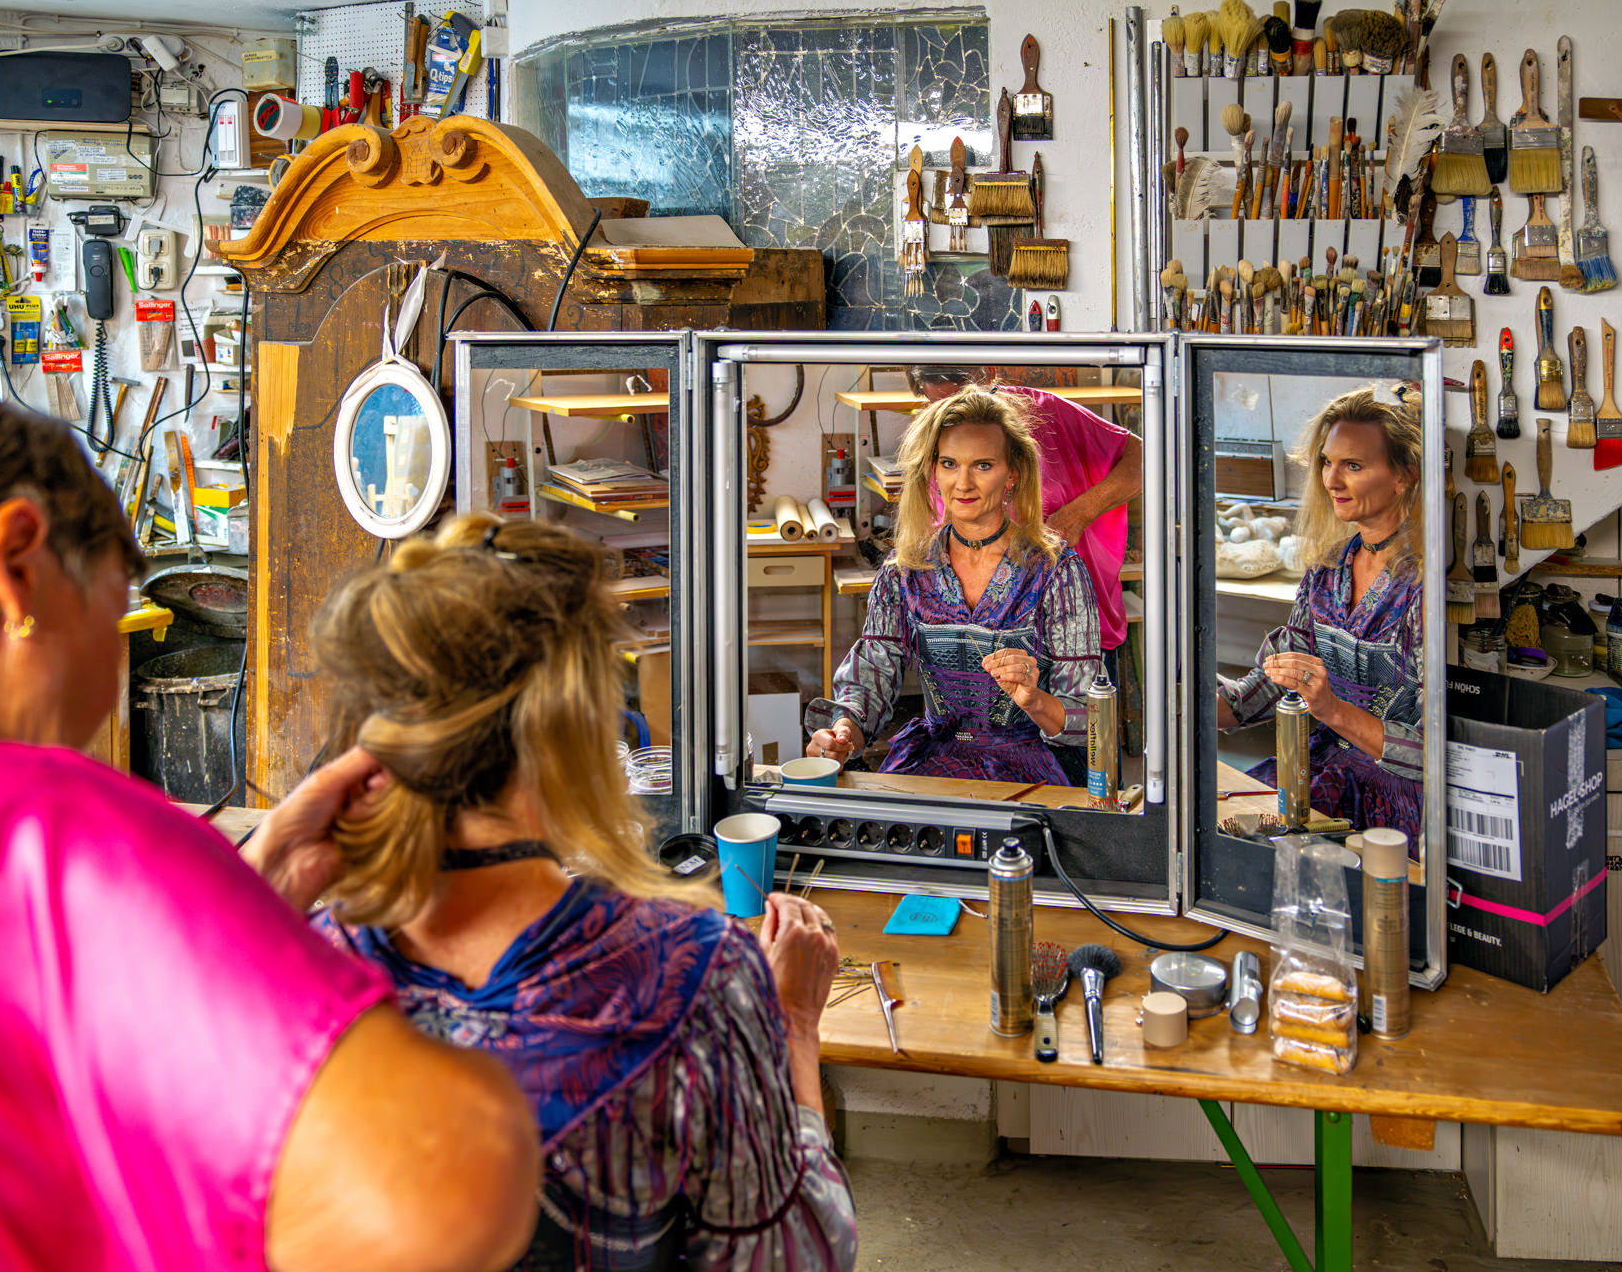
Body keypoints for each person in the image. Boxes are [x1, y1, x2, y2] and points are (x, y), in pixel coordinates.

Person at [0, 396, 540, 1272]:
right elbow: (449, 1176)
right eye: (111, 618)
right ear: (15, 563)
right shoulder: (42, 835)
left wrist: (235, 904)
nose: (94, 711)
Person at [304, 512, 859, 1272]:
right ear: (580, 724)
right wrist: (791, 1027)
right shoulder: (696, 980)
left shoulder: (304, 965)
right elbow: (795, 1257)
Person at [805, 387, 1106, 785]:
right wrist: (843, 733)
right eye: (950, 464)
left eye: (983, 465)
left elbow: (1093, 718)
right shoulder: (903, 570)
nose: (963, 483)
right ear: (934, 470)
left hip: (1031, 768)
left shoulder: (1057, 571)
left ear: (1012, 474)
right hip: (932, 760)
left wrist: (1036, 701)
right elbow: (871, 679)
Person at [1215, 387, 1425, 844]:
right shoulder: (1329, 569)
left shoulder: (1423, 586)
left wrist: (1331, 709)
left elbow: (1431, 752)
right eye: (1327, 462)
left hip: (1394, 804)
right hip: (1319, 771)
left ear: (1404, 477)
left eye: (1353, 465)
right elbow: (1275, 681)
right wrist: (1205, 701)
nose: (1331, 480)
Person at [908, 365, 1143, 684]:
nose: (962, 420)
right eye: (945, 407)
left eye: (969, 398)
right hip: (982, 644)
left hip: (1073, 631)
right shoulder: (933, 435)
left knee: (1079, 715)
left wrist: (1078, 515)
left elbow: (1142, 458)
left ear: (989, 372)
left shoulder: (1048, 414)